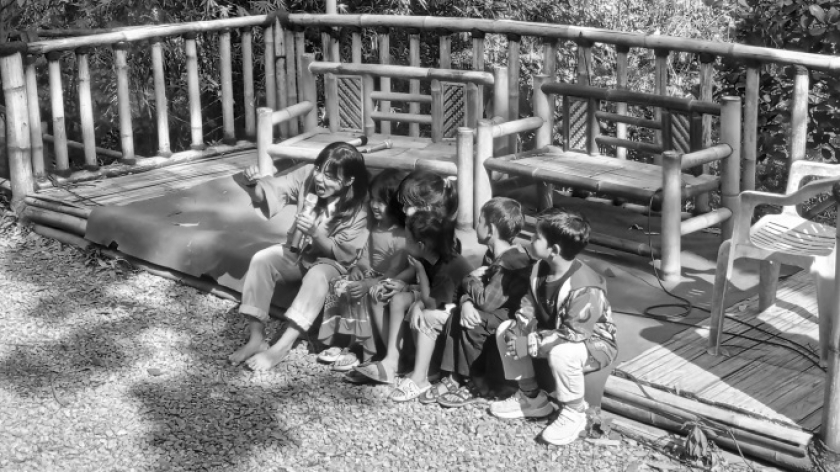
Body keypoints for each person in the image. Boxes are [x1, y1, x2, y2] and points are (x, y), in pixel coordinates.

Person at [228, 142, 369, 371]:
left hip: (333, 264)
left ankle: (282, 346)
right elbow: (272, 191)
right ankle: (256, 338)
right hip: (300, 251)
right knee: (262, 259)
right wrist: (252, 183)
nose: (321, 179)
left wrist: (316, 232)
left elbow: (344, 255)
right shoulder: (308, 176)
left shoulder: (360, 207)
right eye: (320, 170)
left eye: (331, 176)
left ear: (349, 181)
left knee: (317, 275)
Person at [488, 208, 618, 446]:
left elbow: (575, 334)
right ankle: (531, 397)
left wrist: (532, 342)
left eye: (536, 237)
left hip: (593, 343)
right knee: (506, 329)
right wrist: (522, 327)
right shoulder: (539, 269)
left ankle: (574, 412)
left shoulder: (584, 287)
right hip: (555, 334)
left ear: (554, 250)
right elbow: (528, 302)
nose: (531, 240)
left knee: (562, 352)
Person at [421, 197, 533, 407]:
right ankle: (454, 376)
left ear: (490, 229)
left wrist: (468, 279)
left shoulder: (510, 263)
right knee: (459, 314)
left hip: (511, 317)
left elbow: (486, 301)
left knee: (474, 323)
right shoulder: (492, 255)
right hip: (493, 311)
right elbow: (476, 295)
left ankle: (477, 382)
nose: (475, 227)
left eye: (479, 222)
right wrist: (465, 302)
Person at [353, 210, 473, 394]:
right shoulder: (429, 255)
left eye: (407, 239)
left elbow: (432, 303)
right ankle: (392, 361)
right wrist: (403, 286)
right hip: (437, 299)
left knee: (420, 311)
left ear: (421, 244)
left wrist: (420, 277)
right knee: (398, 298)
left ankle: (423, 369)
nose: (404, 242)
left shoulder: (448, 264)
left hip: (453, 310)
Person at [317, 169, 409, 371]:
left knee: (359, 293)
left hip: (387, 280)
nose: (375, 205)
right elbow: (366, 256)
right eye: (373, 199)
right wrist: (359, 268)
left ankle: (363, 349)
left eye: (382, 201)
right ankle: (343, 340)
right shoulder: (376, 227)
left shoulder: (401, 236)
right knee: (339, 285)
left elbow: (395, 271)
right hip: (371, 275)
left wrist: (368, 284)